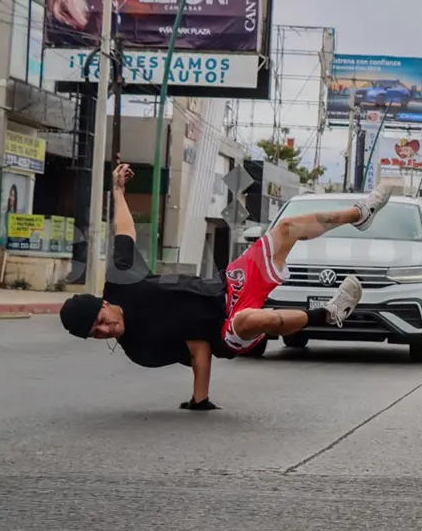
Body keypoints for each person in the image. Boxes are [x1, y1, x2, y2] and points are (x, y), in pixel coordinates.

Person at [59, 161, 392, 410]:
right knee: (249, 320)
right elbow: (198, 349)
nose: (104, 330)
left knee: (287, 228)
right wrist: (199, 400)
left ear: (103, 304)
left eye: (100, 321)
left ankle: (359, 213)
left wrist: (118, 192)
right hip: (224, 332)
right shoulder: (139, 350)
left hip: (229, 285)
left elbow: (124, 231)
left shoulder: (122, 279)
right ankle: (329, 314)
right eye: (95, 334)